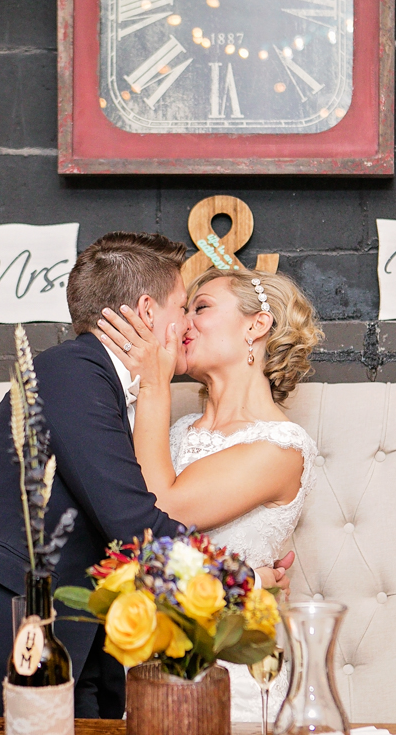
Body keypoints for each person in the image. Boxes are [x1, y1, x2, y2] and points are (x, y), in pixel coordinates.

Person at [0, 233, 290, 719]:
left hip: (61, 656)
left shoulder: (108, 388)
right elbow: (133, 523)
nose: (186, 326)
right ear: (148, 311)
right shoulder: (70, 373)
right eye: (183, 308)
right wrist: (242, 580)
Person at [94, 267, 322, 722]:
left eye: (201, 308)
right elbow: (127, 534)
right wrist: (252, 577)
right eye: (184, 310)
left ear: (257, 325)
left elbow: (161, 512)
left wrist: (154, 383)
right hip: (147, 669)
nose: (184, 323)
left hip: (232, 676)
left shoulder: (282, 446)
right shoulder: (173, 433)